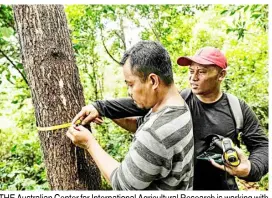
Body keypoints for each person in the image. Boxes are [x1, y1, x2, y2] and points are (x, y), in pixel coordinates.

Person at [75, 46, 268, 190]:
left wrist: (251, 168)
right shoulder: (181, 100)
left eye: (201, 72)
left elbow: (263, 146)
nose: (193, 77)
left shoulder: (237, 108)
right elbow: (137, 104)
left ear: (221, 75)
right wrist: (100, 107)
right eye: (191, 71)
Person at [67, 41, 194, 190]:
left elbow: (122, 186)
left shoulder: (156, 133)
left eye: (131, 84)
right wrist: (105, 111)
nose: (129, 91)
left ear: (153, 81)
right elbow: (141, 124)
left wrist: (89, 143)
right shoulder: (179, 107)